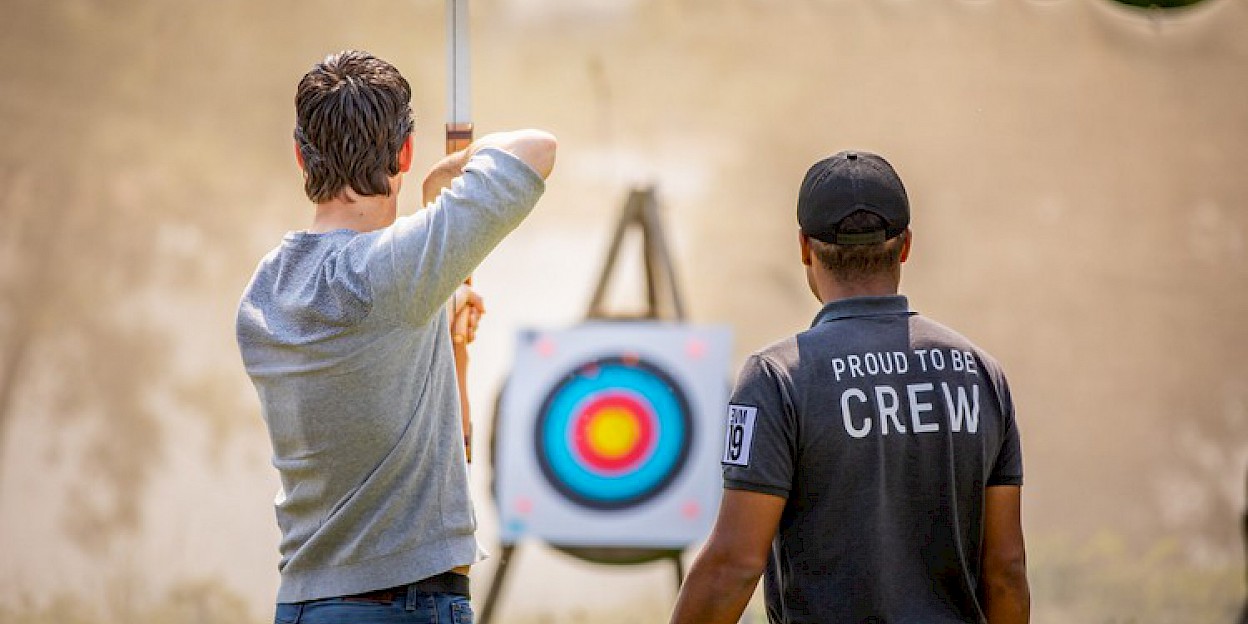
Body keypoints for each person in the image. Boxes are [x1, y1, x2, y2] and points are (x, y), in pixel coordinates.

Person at [235, 50, 556, 624]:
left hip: (304, 604)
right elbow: (537, 148)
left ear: (299, 156)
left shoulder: (264, 292)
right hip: (405, 604)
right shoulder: (393, 276)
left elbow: (374, 371)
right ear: (404, 151)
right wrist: (443, 182)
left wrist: (442, 320)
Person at [670, 151, 1029, 624]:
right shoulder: (981, 373)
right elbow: (1005, 570)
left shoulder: (778, 377)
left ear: (803, 248)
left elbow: (733, 567)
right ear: (905, 247)